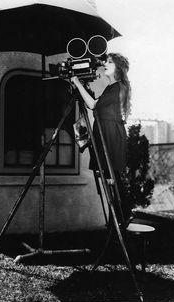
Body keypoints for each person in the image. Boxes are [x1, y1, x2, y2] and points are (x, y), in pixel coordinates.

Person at [71, 53, 133, 227]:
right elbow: (95, 103)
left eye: (110, 62)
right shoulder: (112, 87)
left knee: (113, 177)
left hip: (110, 135)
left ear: (118, 68)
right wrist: (83, 89)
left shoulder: (117, 87)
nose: (105, 64)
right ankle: (119, 217)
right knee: (110, 177)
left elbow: (93, 105)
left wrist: (76, 82)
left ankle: (122, 214)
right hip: (107, 133)